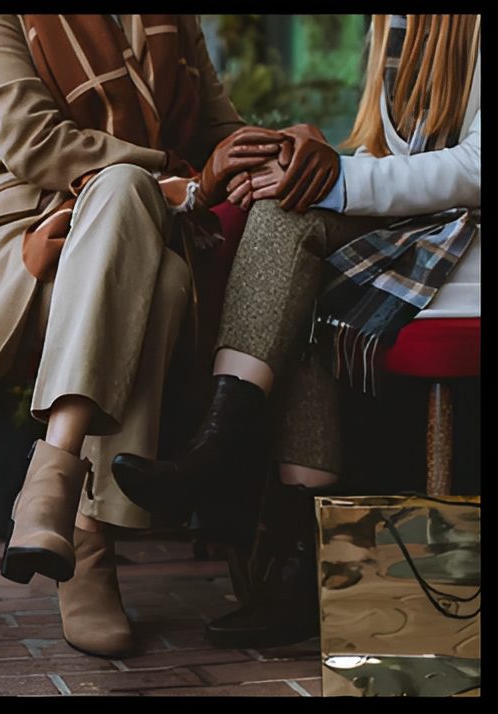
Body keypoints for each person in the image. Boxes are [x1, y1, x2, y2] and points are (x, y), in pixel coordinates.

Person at [0, 14, 284, 657]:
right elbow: (34, 143)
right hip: (27, 243)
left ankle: (57, 493)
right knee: (131, 208)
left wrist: (282, 148)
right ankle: (88, 538)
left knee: (155, 271)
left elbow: (222, 129)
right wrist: (180, 181)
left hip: (149, 243)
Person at [112, 13, 481, 647]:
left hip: (468, 240)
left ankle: (232, 476)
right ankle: (266, 514)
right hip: (429, 224)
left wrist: (341, 177)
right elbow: (404, 158)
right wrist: (311, 162)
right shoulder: (399, 23)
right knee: (284, 205)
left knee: (304, 250)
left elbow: (474, 167)